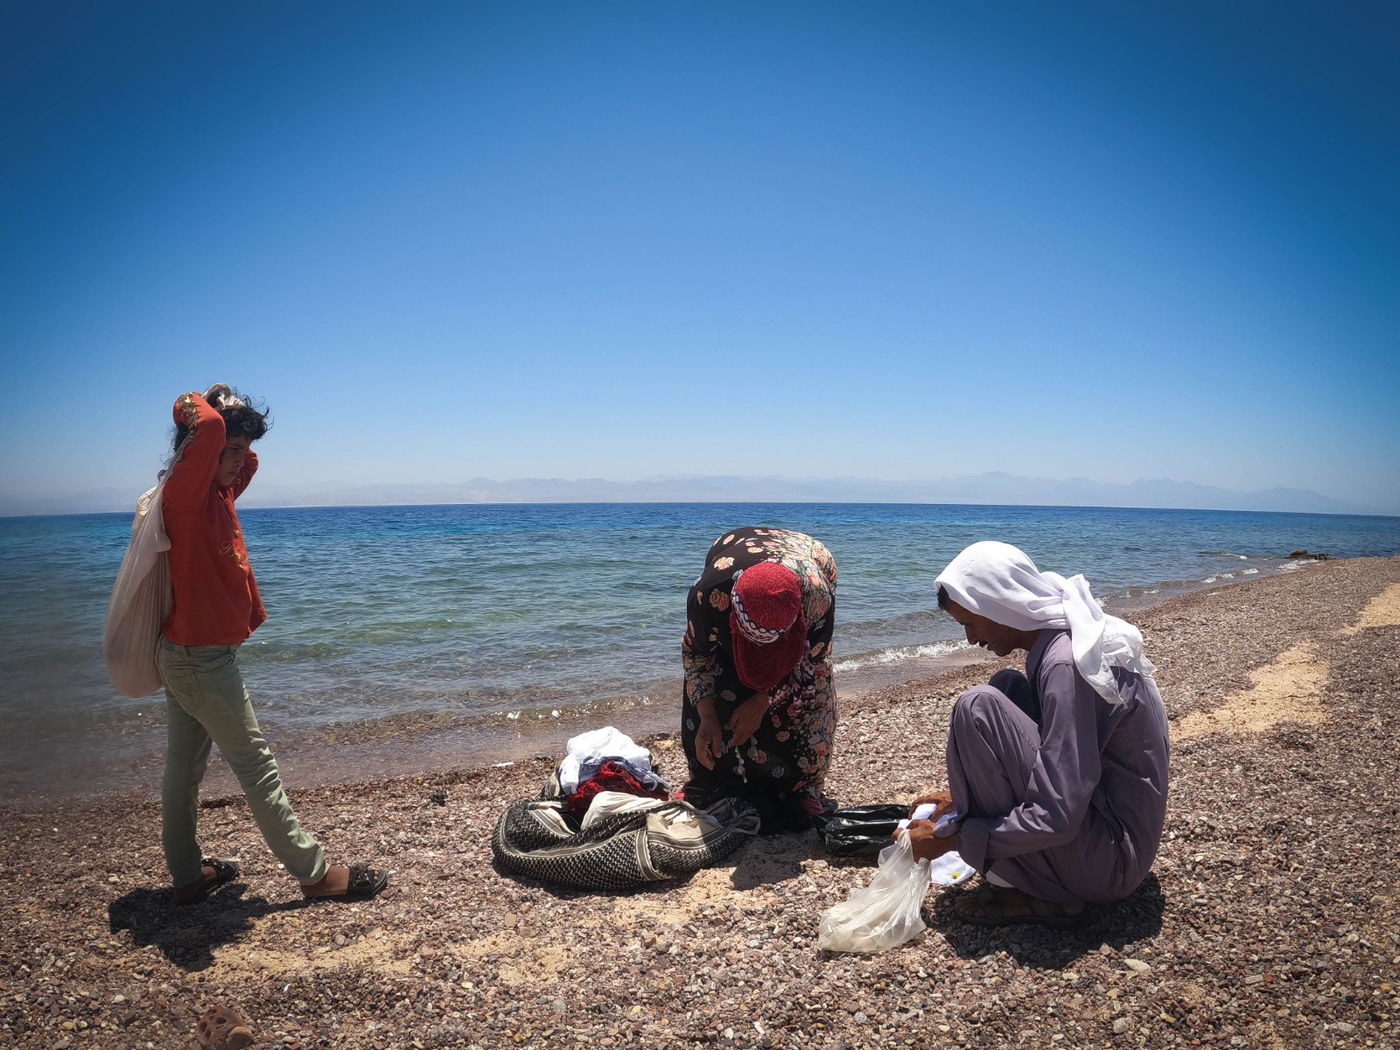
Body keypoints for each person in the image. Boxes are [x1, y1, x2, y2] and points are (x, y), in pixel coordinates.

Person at [157, 384, 387, 904]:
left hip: (187, 653)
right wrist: (213, 401)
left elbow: (249, 458)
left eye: (240, 451)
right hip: (200, 660)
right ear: (198, 448)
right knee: (256, 766)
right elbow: (207, 426)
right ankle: (315, 875)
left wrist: (234, 434)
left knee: (184, 768)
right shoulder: (187, 496)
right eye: (228, 451)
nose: (239, 463)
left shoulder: (217, 492)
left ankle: (187, 875)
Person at [902, 541, 1169, 927]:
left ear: (998, 606)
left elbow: (1058, 816)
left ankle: (1041, 892)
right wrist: (959, 803)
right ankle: (1029, 868)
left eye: (970, 623)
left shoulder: (1064, 664)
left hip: (1110, 865)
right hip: (1113, 837)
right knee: (1007, 686)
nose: (971, 640)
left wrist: (951, 839)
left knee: (977, 707)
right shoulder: (1061, 639)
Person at [679, 527, 838, 830]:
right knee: (719, 684)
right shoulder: (708, 596)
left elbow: (813, 660)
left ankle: (804, 787)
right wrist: (708, 717)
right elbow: (698, 657)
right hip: (733, 551)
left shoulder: (817, 597)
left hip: (810, 558)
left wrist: (762, 699)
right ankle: (705, 778)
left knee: (811, 691)